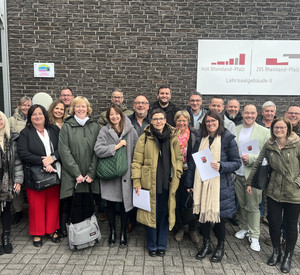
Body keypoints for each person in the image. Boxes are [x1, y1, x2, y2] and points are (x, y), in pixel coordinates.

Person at [185, 110, 241, 263]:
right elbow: (192, 163)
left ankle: (220, 246)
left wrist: (221, 165)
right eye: (207, 121)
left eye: (213, 121)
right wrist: (189, 184)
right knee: (202, 217)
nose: (210, 124)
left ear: (219, 122)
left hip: (220, 187)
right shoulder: (200, 139)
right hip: (201, 184)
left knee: (219, 219)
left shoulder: (228, 139)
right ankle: (206, 244)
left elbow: (237, 163)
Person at [246, 117, 300, 273]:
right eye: (276, 128)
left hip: (294, 193)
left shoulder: (297, 143)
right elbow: (258, 162)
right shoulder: (269, 144)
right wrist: (250, 182)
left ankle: (288, 255)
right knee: (274, 223)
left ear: (288, 129)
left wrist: (297, 183)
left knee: (290, 225)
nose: (279, 130)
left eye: (282, 128)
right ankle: (276, 251)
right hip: (274, 191)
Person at [131, 109, 183, 257]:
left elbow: (178, 158)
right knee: (150, 213)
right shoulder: (145, 138)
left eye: (161, 118)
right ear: (151, 121)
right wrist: (136, 181)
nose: (158, 121)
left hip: (167, 182)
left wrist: (178, 171)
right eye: (155, 119)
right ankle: (152, 244)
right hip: (149, 183)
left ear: (165, 120)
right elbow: (136, 162)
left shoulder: (173, 137)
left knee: (164, 213)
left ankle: (162, 244)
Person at [94, 105, 138, 248]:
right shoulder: (104, 131)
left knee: (126, 205)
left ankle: (123, 233)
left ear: (121, 115)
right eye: (111, 115)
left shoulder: (131, 131)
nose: (114, 117)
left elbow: (137, 152)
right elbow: (98, 149)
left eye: (116, 114)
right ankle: (112, 232)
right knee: (111, 204)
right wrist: (115, 147)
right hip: (110, 174)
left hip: (126, 174)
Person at [17, 105, 61, 247]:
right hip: (35, 174)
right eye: (34, 114)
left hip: (54, 172)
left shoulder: (53, 130)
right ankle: (38, 232)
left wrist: (52, 158)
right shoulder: (25, 133)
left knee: (53, 203)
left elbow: (63, 147)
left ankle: (52, 229)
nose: (37, 116)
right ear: (30, 117)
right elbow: (23, 153)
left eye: (40, 114)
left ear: (45, 115)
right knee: (36, 205)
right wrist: (43, 161)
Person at [58, 96, 100, 237]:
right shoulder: (67, 127)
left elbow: (97, 150)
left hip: (89, 174)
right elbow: (64, 152)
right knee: (70, 203)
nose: (81, 109)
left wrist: (92, 173)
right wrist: (76, 173)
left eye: (83, 106)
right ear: (72, 109)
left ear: (88, 109)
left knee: (88, 203)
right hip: (72, 174)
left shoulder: (95, 126)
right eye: (77, 106)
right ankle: (72, 233)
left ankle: (88, 233)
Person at [234, 104, 270, 252]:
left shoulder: (265, 132)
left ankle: (254, 235)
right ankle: (245, 228)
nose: (249, 115)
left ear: (257, 114)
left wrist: (253, 158)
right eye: (247, 113)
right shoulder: (236, 130)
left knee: (253, 206)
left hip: (254, 176)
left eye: (252, 113)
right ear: (242, 114)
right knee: (242, 204)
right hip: (238, 173)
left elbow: (268, 155)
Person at [173, 110, 200, 244]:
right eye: (179, 120)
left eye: (184, 120)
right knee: (177, 201)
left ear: (188, 121)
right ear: (175, 121)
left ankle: (193, 229)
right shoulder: (171, 134)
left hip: (192, 172)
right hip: (176, 173)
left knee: (192, 201)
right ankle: (180, 228)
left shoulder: (196, 135)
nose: (181, 123)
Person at [0, 112, 24, 255]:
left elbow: (17, 162)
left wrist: (18, 181)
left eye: (0, 119)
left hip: (7, 182)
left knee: (6, 210)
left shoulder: (12, 139)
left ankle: (6, 238)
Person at [127, 95, 151, 232]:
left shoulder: (153, 120)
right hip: (131, 160)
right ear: (133, 105)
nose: (140, 105)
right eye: (137, 103)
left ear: (148, 105)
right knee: (132, 190)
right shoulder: (127, 121)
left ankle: (146, 220)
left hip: (149, 162)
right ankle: (132, 220)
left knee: (147, 190)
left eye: (143, 103)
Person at [8, 96, 32, 224]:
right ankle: (18, 210)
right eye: (24, 105)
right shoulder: (11, 120)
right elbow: (8, 136)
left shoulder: (34, 118)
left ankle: (32, 210)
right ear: (18, 106)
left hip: (29, 156)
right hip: (16, 156)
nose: (26, 108)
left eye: (28, 105)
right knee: (16, 183)